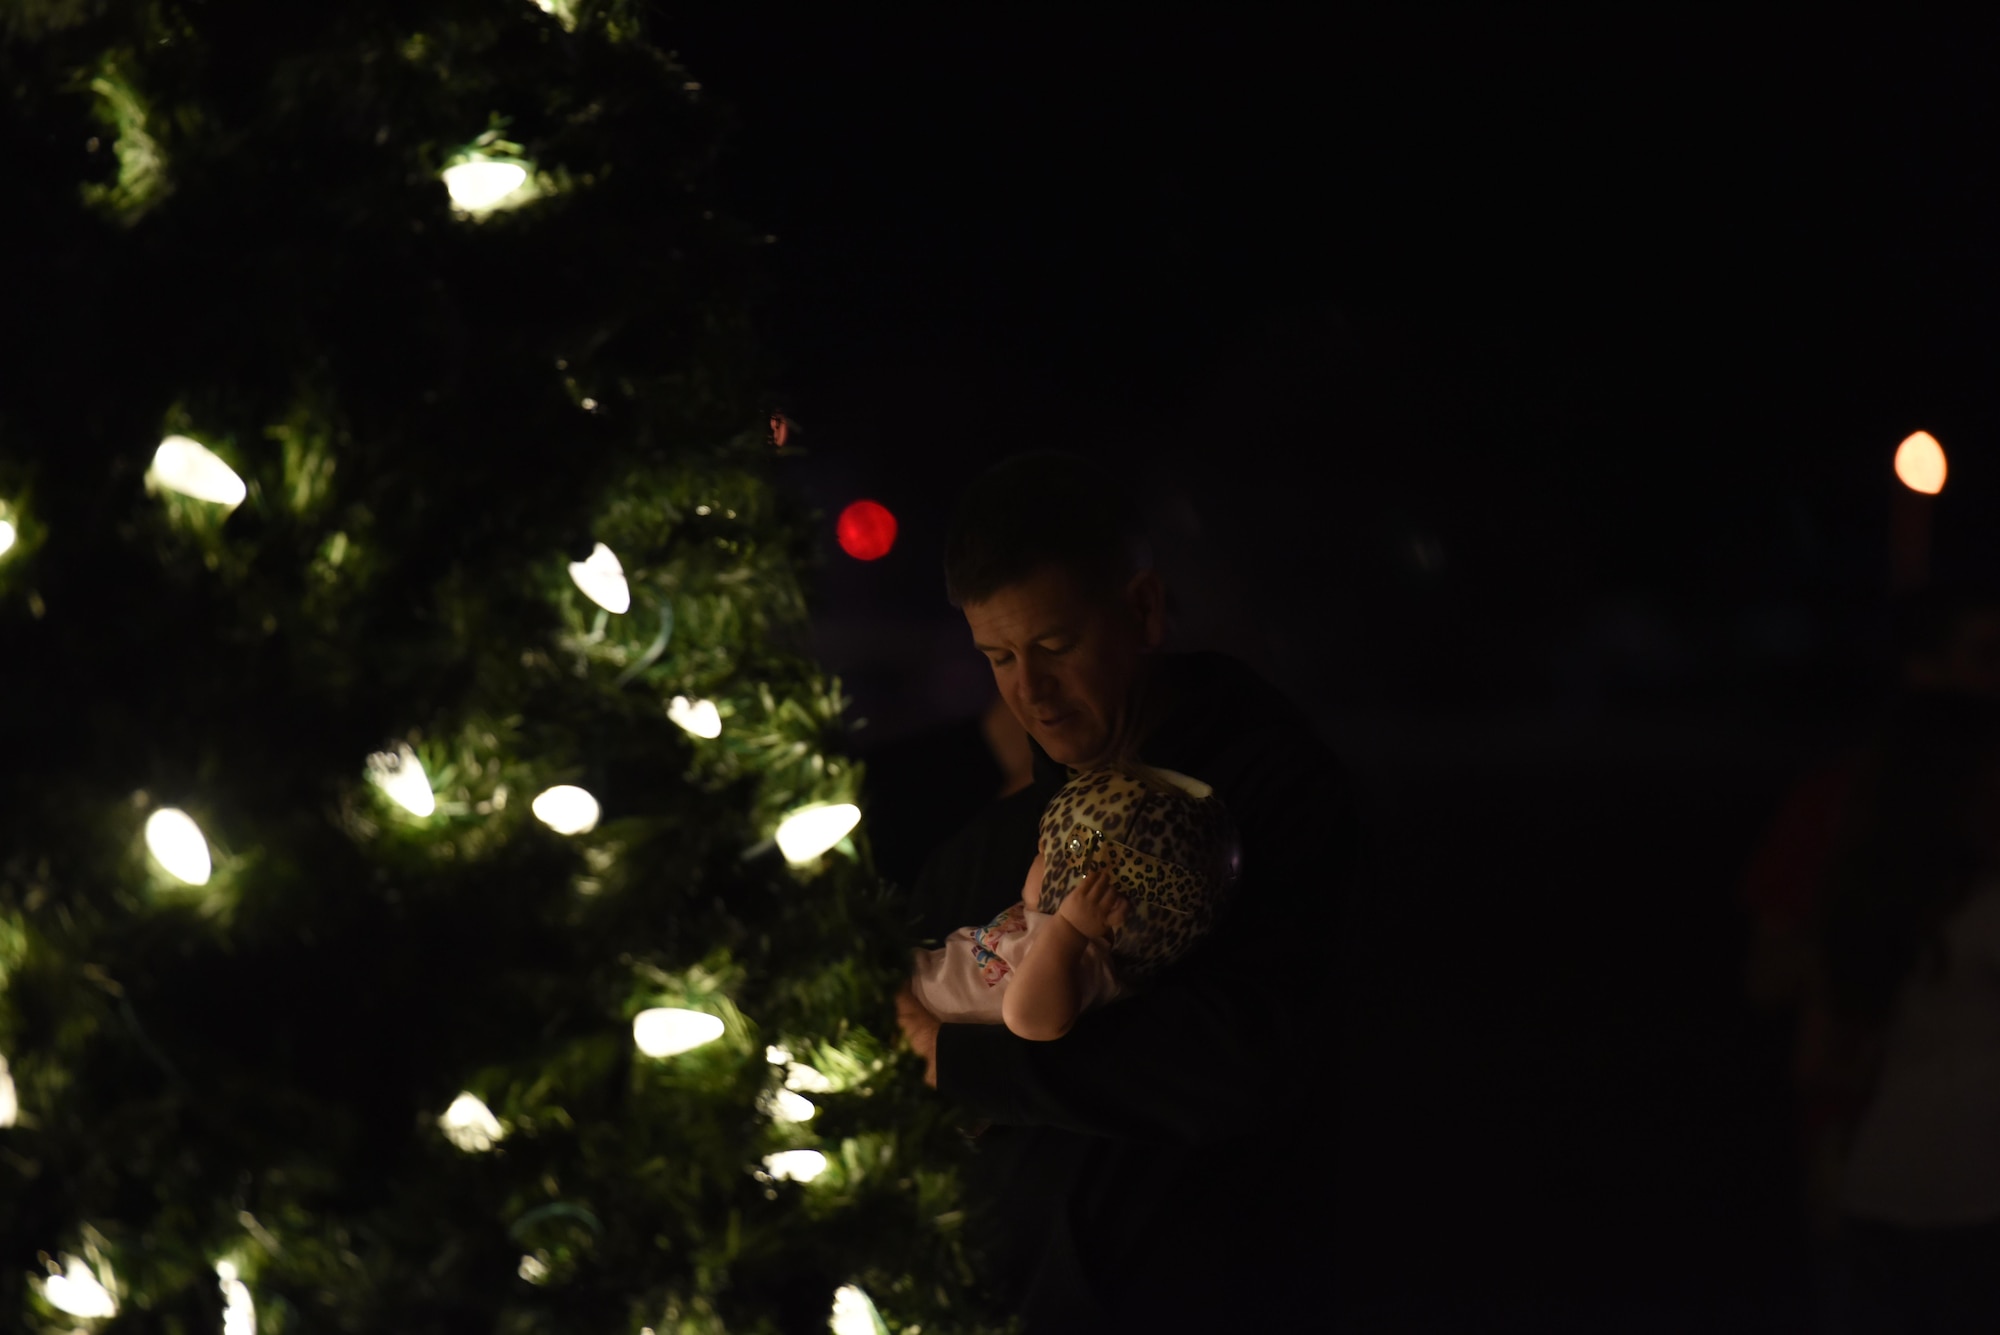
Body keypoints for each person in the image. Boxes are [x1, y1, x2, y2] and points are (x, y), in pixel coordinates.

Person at [892, 451, 1357, 1332]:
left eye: (1056, 646)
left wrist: (960, 1062)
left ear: (1141, 610)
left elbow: (1236, 1061)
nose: (1030, 691)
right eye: (998, 657)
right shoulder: (995, 847)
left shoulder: (1275, 798)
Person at [1812, 690, 2000, 1331]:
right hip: (1974, 1197)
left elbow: (1838, 1050)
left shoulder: (1877, 898)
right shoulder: (1982, 910)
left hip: (1883, 1183)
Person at [907, 760, 1242, 1040]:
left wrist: (1068, 930)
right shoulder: (1049, 928)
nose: (1035, 855)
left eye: (1048, 853)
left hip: (911, 1043)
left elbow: (1026, 1018)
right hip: (908, 986)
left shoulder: (1084, 961)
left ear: (1097, 895)